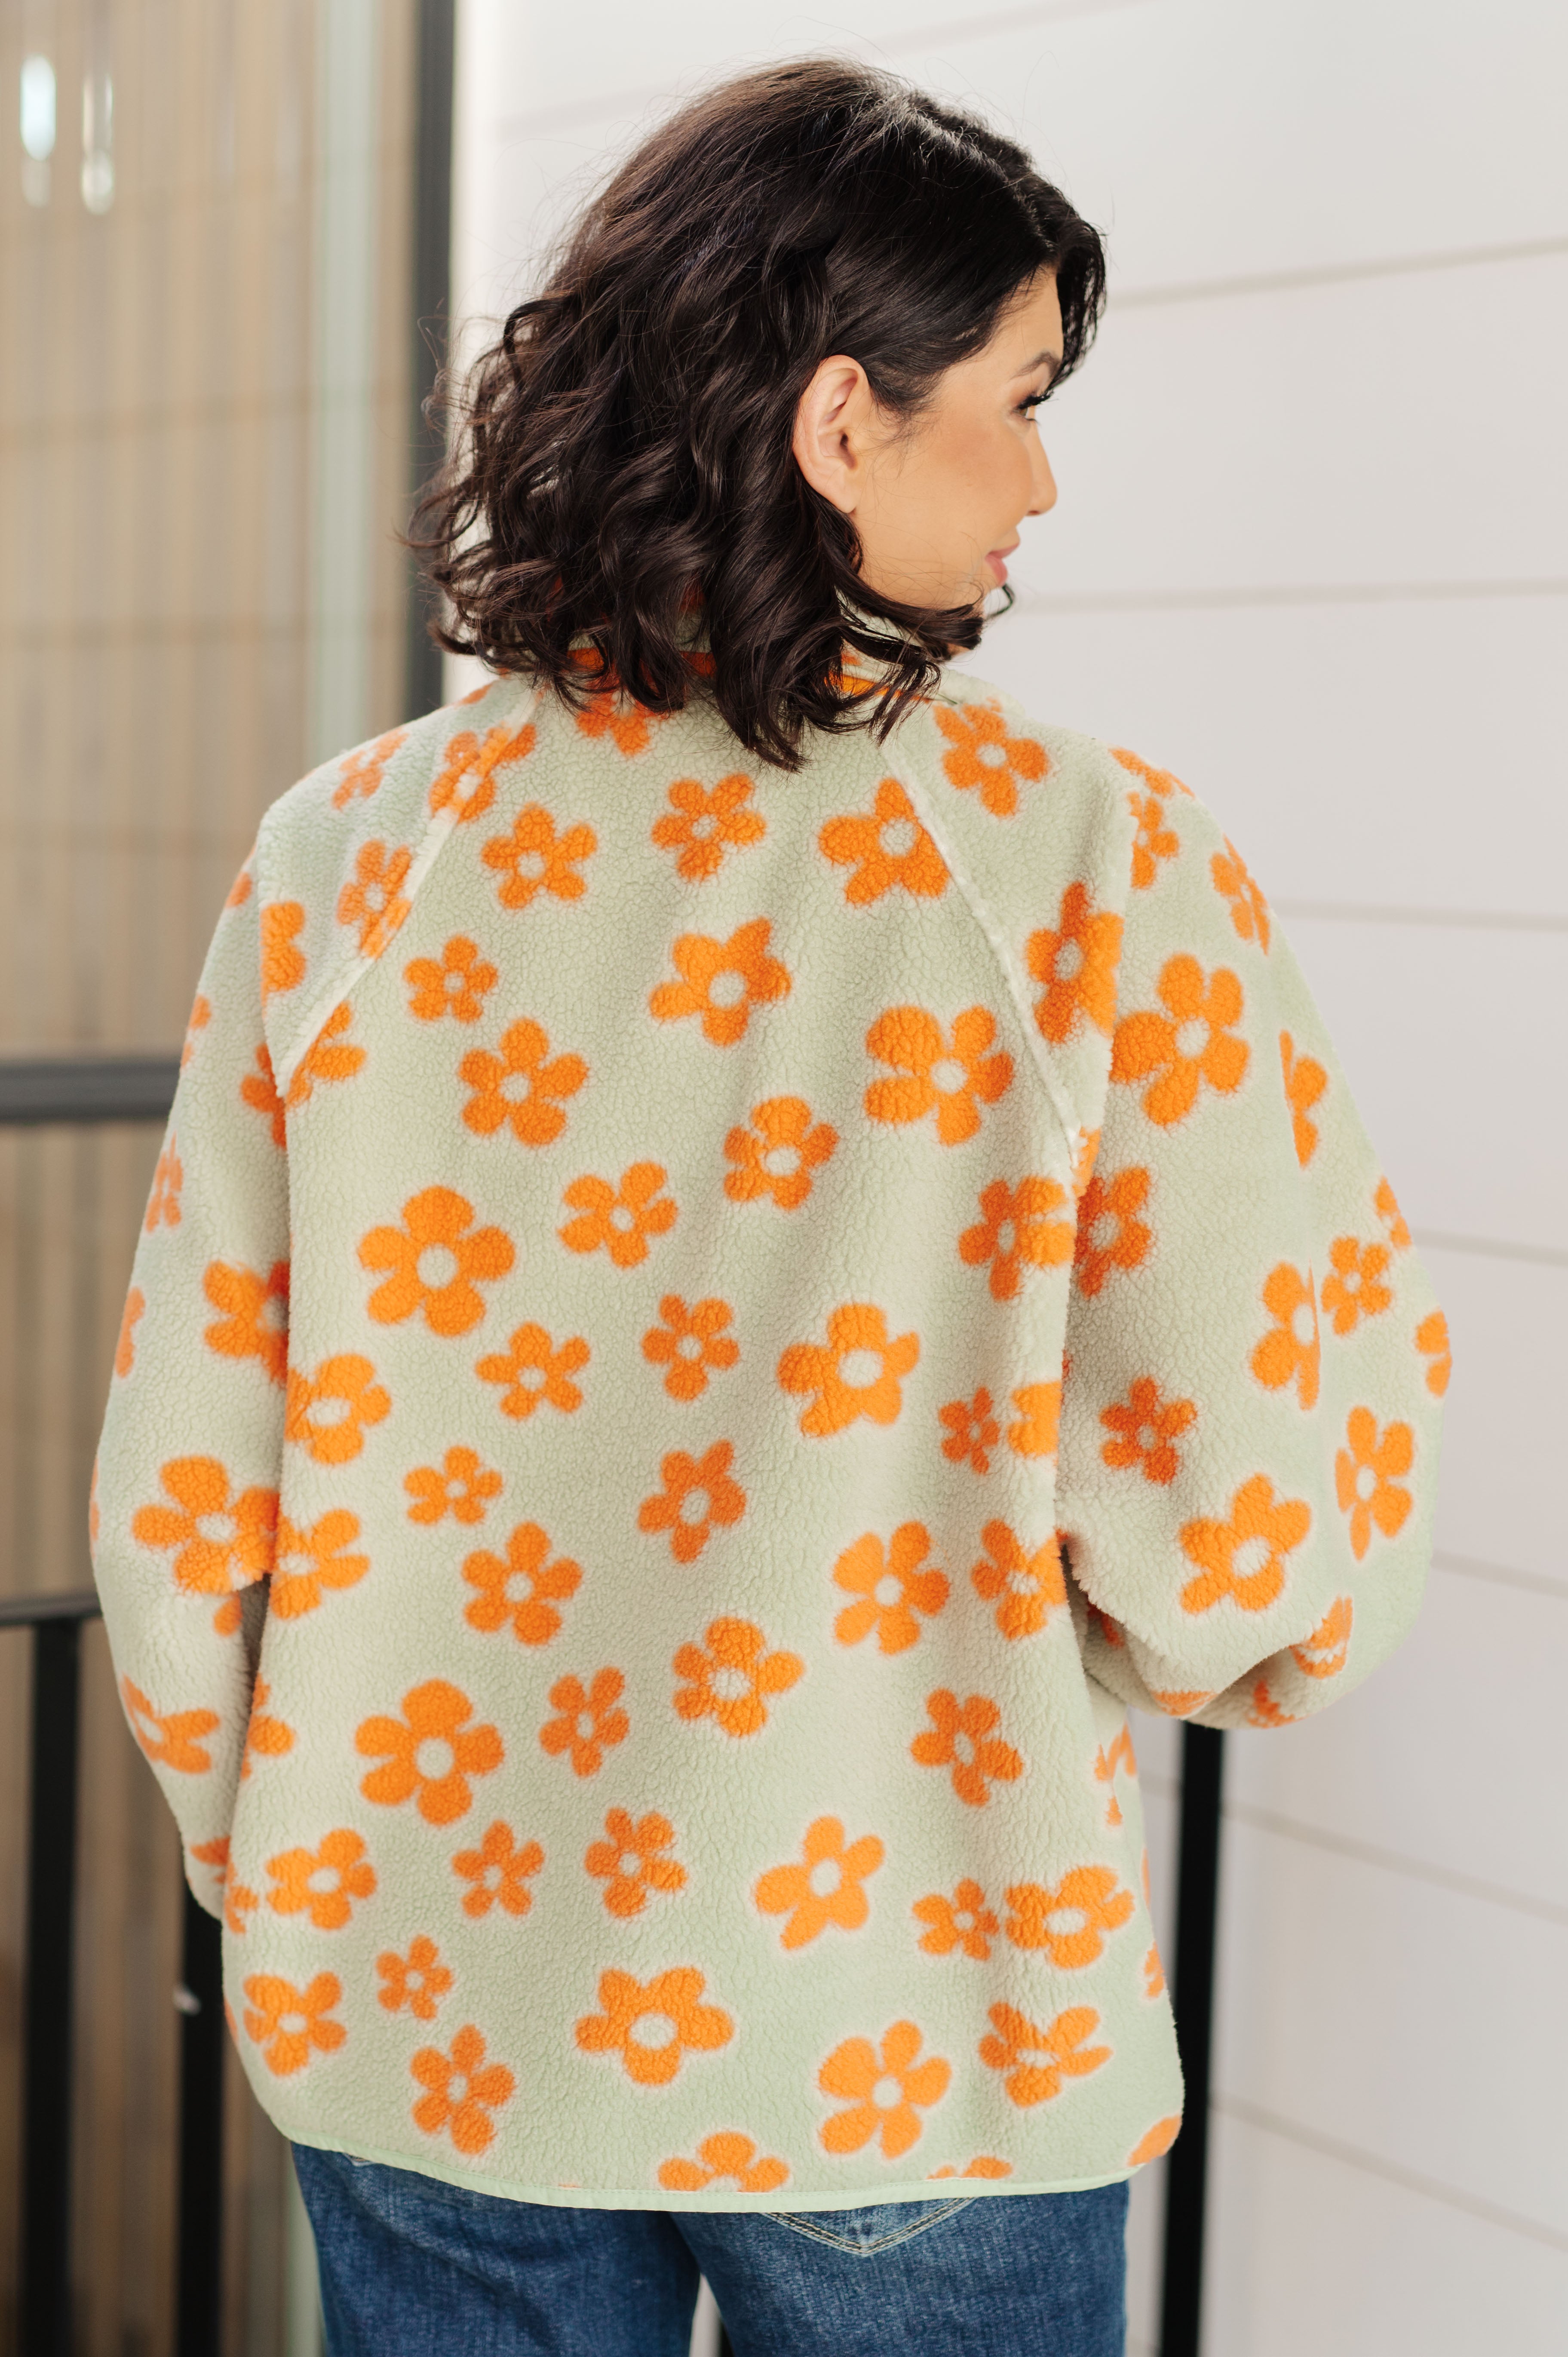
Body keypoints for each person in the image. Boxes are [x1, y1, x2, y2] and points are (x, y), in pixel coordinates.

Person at [91, 58, 1447, 2357]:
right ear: (841, 425)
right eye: (1013, 404)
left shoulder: (347, 857)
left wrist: (277, 1863)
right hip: (895, 2022)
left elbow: (185, 1484)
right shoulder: (1088, 864)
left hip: (420, 2007)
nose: (1039, 480)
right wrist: (1228, 1650)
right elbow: (1245, 1508)